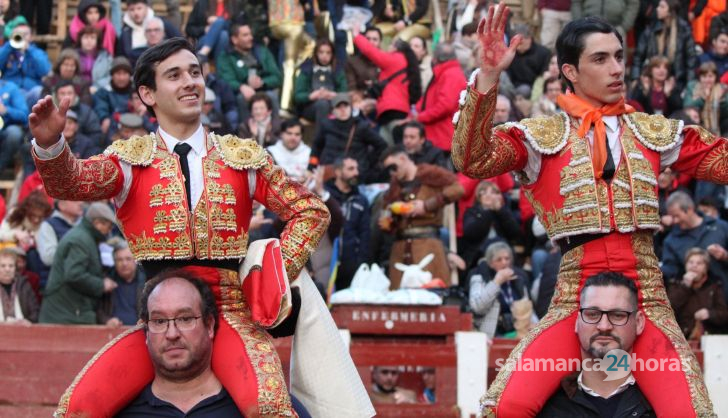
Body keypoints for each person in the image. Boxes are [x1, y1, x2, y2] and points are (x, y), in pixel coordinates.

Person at [28, 38, 353, 418]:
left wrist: (270, 274)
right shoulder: (129, 159)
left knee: (270, 407)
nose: (189, 82)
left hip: (230, 314)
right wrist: (50, 144)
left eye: (195, 73)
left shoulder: (242, 157)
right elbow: (72, 183)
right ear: (147, 94)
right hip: (160, 320)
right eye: (175, 75)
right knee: (76, 409)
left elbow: (311, 211)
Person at [451, 4, 723, 416]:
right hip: (577, 299)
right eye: (600, 58)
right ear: (570, 72)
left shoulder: (653, 132)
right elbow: (472, 160)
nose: (616, 68)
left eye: (619, 57)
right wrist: (487, 79)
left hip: (645, 301)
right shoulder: (541, 137)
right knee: (504, 408)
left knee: (691, 413)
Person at [116, 270, 244, 417]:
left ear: (209, 325)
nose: (172, 334)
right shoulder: (125, 413)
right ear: (146, 331)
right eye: (159, 321)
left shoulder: (245, 411)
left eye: (185, 319)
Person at [537, 272, 655, 417]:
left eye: (618, 315)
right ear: (577, 322)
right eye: (592, 314)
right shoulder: (548, 407)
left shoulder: (659, 405)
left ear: (638, 323)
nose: (604, 326)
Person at [379, 146, 464, 289]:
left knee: (431, 294)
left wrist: (427, 205)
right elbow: (386, 211)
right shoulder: (394, 185)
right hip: (400, 247)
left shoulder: (430, 173)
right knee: (397, 300)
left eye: (394, 167)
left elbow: (458, 189)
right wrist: (389, 219)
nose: (392, 172)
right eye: (389, 170)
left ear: (403, 158)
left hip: (427, 245)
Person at [38, 202, 119, 324]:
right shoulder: (80, 241)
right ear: (97, 223)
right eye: (108, 226)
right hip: (66, 313)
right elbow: (74, 274)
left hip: (69, 310)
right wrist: (101, 285)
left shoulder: (85, 237)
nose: (109, 231)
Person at [351, 25, 422, 145]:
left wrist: (357, 36)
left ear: (395, 47)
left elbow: (372, 52)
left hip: (391, 110)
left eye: (390, 44)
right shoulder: (408, 63)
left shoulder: (396, 59)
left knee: (391, 151)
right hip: (400, 110)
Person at [310, 93, 388, 184]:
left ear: (351, 108)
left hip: (355, 174)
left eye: (345, 106)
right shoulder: (326, 125)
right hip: (331, 174)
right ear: (333, 110)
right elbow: (316, 147)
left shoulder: (361, 126)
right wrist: (311, 167)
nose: (342, 110)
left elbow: (382, 145)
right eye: (338, 107)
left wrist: (368, 162)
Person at [662, 191, 728, 290]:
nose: (674, 221)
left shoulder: (721, 227)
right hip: (693, 300)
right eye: (671, 217)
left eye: (677, 216)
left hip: (724, 296)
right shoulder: (671, 241)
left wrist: (725, 256)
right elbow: (670, 273)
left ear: (689, 209)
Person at [216, 22, 282, 121]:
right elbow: (225, 79)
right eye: (245, 35)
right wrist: (241, 87)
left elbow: (277, 77)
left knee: (271, 96)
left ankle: (275, 133)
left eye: (250, 34)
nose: (251, 37)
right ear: (234, 39)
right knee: (242, 98)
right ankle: (245, 133)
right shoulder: (226, 56)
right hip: (240, 93)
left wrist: (263, 82)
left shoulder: (262, 51)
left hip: (264, 90)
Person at [468, 241, 533, 339]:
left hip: (518, 331)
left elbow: (528, 307)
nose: (504, 262)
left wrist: (536, 324)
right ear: (490, 263)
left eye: (507, 259)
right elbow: (477, 308)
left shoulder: (518, 279)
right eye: (499, 259)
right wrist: (497, 282)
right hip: (492, 334)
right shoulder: (479, 279)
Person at [411, 42, 467, 153]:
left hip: (443, 137)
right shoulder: (445, 73)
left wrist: (420, 117)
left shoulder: (450, 74)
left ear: (435, 58)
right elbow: (427, 100)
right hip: (439, 135)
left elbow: (445, 106)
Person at [631, 0, 697, 92]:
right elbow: (638, 56)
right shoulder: (652, 28)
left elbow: (691, 60)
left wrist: (690, 87)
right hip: (652, 81)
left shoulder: (684, 30)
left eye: (662, 7)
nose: (657, 9)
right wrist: (635, 78)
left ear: (670, 11)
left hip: (677, 82)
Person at [325, 157, 370, 290]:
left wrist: (361, 262)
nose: (356, 173)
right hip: (326, 262)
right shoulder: (325, 196)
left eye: (356, 169)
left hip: (351, 265)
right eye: (351, 169)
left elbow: (365, 234)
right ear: (338, 172)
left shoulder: (361, 200)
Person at [667, 248, 728, 338]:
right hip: (680, 338)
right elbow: (668, 309)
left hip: (707, 338)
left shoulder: (714, 286)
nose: (694, 266)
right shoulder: (675, 283)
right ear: (685, 265)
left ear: (705, 268)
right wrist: (685, 286)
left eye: (699, 263)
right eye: (690, 262)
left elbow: (724, 314)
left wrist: (709, 314)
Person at [293, 38, 347, 126]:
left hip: (334, 105)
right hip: (310, 107)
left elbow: (344, 92)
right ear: (316, 53)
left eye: (328, 53)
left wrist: (333, 95)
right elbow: (298, 96)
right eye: (321, 52)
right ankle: (321, 138)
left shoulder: (338, 70)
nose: (324, 56)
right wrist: (311, 96)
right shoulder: (307, 69)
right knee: (322, 104)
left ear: (332, 54)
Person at [35, 199, 83, 289]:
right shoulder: (48, 225)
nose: (81, 203)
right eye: (75, 200)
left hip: (82, 285)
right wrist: (77, 253)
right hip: (57, 287)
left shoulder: (85, 224)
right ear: (62, 205)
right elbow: (48, 258)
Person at [119, 0, 183, 66]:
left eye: (139, 8)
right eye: (132, 9)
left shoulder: (161, 23)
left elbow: (179, 42)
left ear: (146, 8)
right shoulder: (125, 32)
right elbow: (120, 56)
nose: (136, 13)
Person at [97, 241, 146, 327]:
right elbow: (98, 310)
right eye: (120, 260)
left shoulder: (146, 280)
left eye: (128, 259)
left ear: (135, 260)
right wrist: (107, 321)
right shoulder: (106, 281)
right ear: (114, 262)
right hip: (113, 333)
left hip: (139, 331)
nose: (124, 264)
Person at [506, 24, 552, 89]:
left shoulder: (544, 53)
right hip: (511, 88)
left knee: (524, 89)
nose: (517, 44)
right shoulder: (508, 53)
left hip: (534, 88)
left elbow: (544, 76)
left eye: (520, 42)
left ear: (529, 39)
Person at [0, 247, 39, 324]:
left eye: (11, 266)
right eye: (3, 266)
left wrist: (28, 321)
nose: (7, 269)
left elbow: (35, 311)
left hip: (21, 329)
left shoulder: (24, 285)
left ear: (15, 268)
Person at [0, 77, 27, 174]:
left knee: (14, 133)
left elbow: (24, 115)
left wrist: (6, 110)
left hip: (6, 129)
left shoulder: (11, 88)